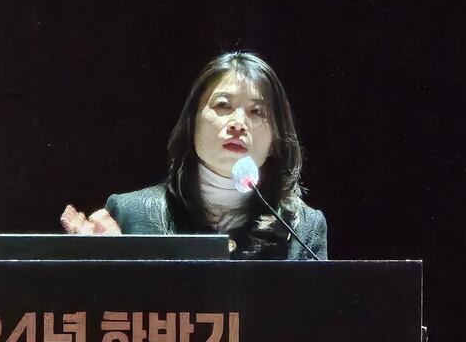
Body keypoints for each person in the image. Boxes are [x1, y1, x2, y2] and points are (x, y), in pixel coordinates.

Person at [60, 51, 327, 260]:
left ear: (275, 140)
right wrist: (96, 269)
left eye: (256, 111)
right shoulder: (130, 214)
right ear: (191, 124)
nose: (238, 123)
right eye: (223, 105)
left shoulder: (302, 227)